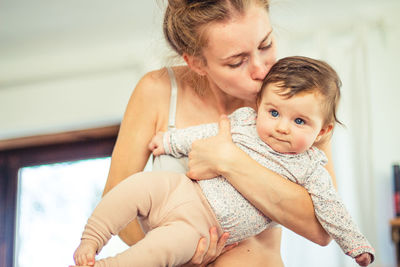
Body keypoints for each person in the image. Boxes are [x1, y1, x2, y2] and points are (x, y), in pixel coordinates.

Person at [75, 1, 346, 266]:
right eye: (236, 62)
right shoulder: (156, 92)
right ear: (197, 63)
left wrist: (228, 161)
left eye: (266, 45)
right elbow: (119, 204)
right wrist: (179, 250)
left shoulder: (298, 104)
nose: (261, 70)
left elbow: (323, 227)